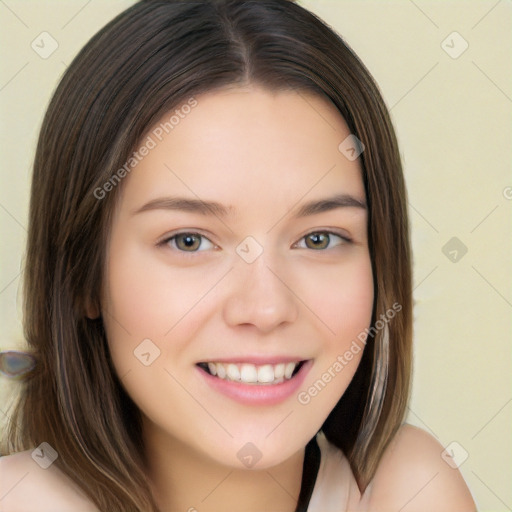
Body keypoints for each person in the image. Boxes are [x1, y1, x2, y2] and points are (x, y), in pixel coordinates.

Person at [0, 1, 476, 511]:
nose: (266, 308)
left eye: (319, 239)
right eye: (189, 241)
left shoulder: (408, 489)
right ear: (82, 275)